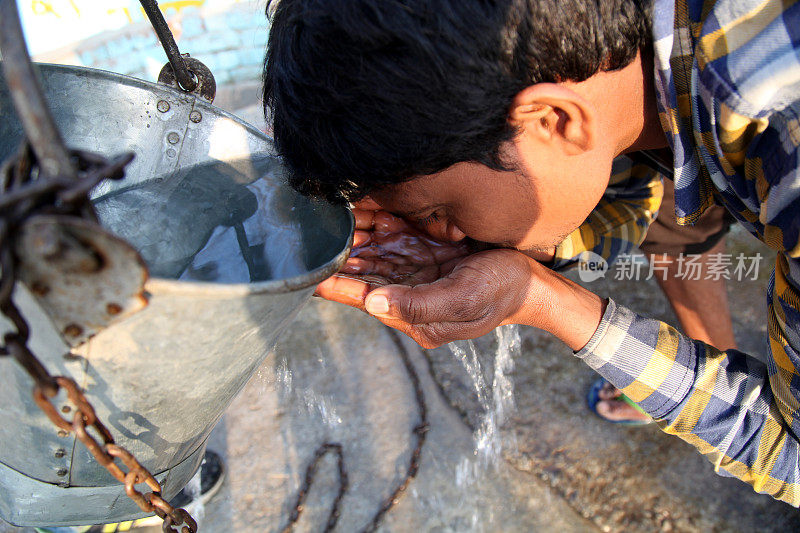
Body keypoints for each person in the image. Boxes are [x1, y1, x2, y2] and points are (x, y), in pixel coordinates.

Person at [262, 0, 800, 505]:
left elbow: (790, 454)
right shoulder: (630, 64)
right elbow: (635, 195)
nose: (442, 234)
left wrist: (551, 304)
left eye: (436, 211)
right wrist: (493, 252)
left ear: (551, 120)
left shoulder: (785, 141)